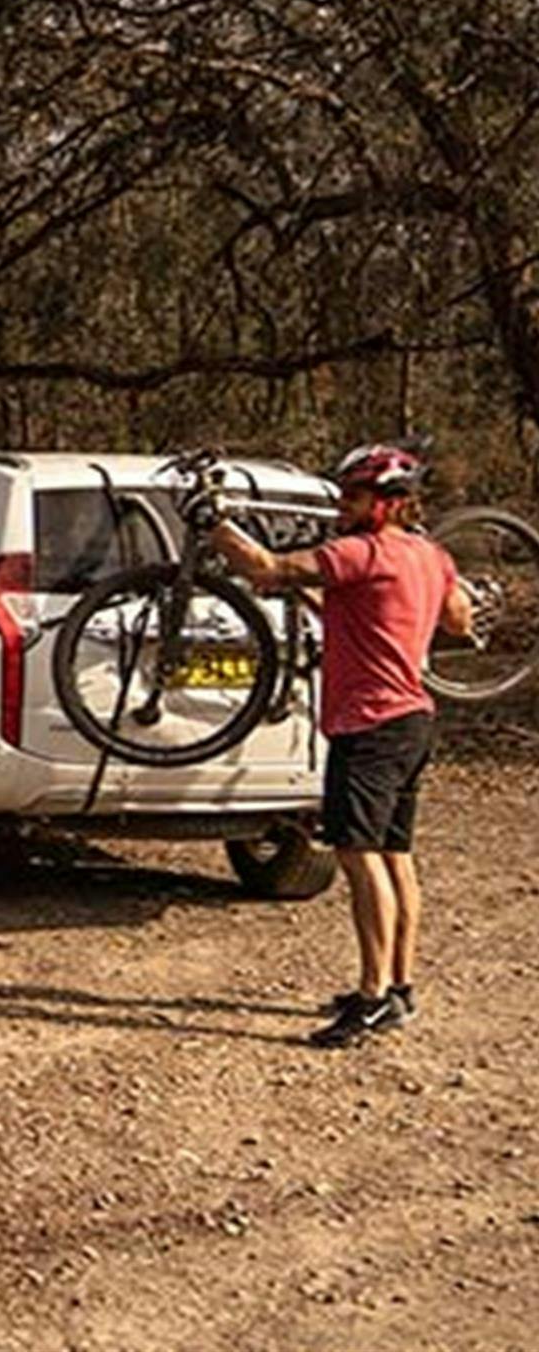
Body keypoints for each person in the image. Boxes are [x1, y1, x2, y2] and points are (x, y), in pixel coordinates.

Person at [200, 442, 473, 1047]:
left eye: (354, 496)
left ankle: (372, 997)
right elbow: (455, 621)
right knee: (396, 857)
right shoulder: (429, 555)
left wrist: (215, 525)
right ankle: (400, 989)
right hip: (412, 721)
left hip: (368, 727)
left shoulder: (361, 551)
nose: (343, 506)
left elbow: (267, 568)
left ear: (389, 504)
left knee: (358, 856)